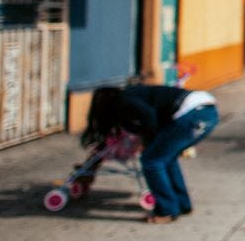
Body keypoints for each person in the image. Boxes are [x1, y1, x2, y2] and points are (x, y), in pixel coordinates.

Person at [82, 82, 219, 224]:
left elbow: (149, 115)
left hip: (192, 113)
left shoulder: (125, 100)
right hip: (208, 111)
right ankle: (182, 205)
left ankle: (167, 211)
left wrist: (149, 139)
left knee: (152, 161)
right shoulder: (133, 94)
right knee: (166, 158)